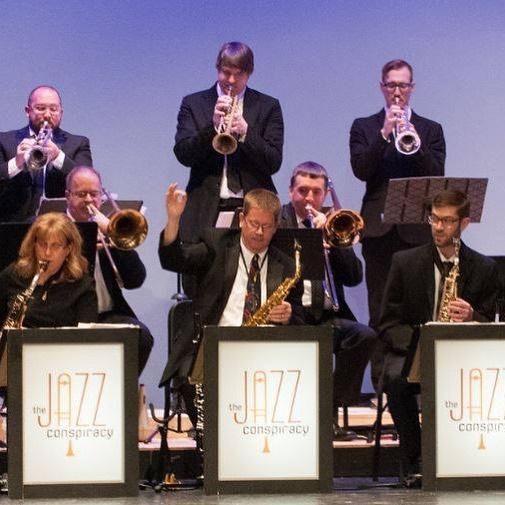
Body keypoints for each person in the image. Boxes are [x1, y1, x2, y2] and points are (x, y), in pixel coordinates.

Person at [379, 189, 499, 487]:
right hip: (415, 350)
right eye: (434, 219)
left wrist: (472, 316)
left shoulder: (484, 268)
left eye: (447, 221)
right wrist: (421, 343)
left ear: (464, 223)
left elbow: (491, 324)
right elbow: (388, 322)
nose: (438, 227)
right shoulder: (404, 262)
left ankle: (472, 457)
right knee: (396, 381)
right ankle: (417, 459)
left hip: (463, 356)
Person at [349, 59, 446, 389]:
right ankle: (382, 386)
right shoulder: (364, 126)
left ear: (412, 88)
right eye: (391, 85)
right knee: (379, 310)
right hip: (378, 230)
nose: (397, 91)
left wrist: (414, 139)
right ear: (382, 87)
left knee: (419, 307)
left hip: (417, 229)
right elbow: (361, 170)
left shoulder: (431, 129)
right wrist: (384, 133)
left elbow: (436, 173)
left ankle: (418, 383)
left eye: (403, 85)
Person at [279, 161, 376, 435]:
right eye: (303, 190)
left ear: (324, 194)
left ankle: (327, 407)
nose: (309, 198)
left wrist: (334, 244)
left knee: (364, 336)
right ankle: (309, 414)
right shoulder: (279, 222)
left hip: (327, 314)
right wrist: (308, 245)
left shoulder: (333, 223)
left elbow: (354, 277)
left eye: (316, 192)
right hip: (294, 314)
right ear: (291, 191)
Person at [173, 41, 284, 247]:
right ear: (218, 68)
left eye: (238, 74)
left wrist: (246, 133)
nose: (231, 80)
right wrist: (212, 128)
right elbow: (183, 154)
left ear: (249, 74)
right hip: (205, 209)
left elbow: (273, 162)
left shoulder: (268, 106)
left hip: (253, 210)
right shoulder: (193, 103)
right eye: (226, 72)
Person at [65, 166, 153, 375]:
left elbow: (135, 281)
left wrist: (115, 239)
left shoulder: (107, 229)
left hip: (107, 314)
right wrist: (85, 247)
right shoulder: (57, 228)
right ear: (68, 196)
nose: (89, 200)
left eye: (94, 194)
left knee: (142, 336)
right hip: (67, 315)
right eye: (81, 194)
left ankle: (120, 390)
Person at [0, 85, 93, 222]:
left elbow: (88, 182)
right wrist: (16, 163)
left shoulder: (79, 143)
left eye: (53, 109)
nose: (48, 115)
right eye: (41, 108)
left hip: (61, 225)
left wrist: (58, 156)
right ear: (28, 111)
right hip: (11, 226)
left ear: (61, 112)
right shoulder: (3, 140)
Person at [0, 212, 97, 330]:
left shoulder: (83, 286)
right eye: (42, 244)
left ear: (69, 249)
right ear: (34, 244)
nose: (47, 253)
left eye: (55, 246)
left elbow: (87, 337)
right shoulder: (13, 274)